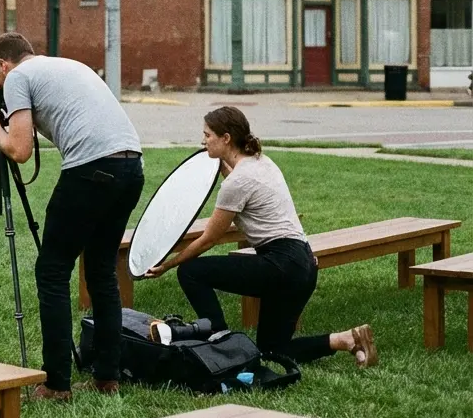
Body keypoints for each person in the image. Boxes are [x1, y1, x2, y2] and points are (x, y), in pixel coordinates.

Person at [145, 106, 377, 368]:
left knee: (190, 271)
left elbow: (209, 239)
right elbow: (247, 187)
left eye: (207, 135)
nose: (203, 140)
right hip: (303, 264)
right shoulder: (261, 162)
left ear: (226, 139)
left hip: (281, 265)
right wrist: (223, 168)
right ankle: (347, 339)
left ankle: (221, 340)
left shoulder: (236, 184)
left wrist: (167, 265)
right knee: (271, 349)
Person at [0, 32, 144, 400]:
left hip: (90, 170)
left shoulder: (19, 77)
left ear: (4, 65)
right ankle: (107, 376)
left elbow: (19, 151)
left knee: (52, 270)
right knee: (101, 271)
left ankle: (56, 383)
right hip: (132, 166)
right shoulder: (64, 65)